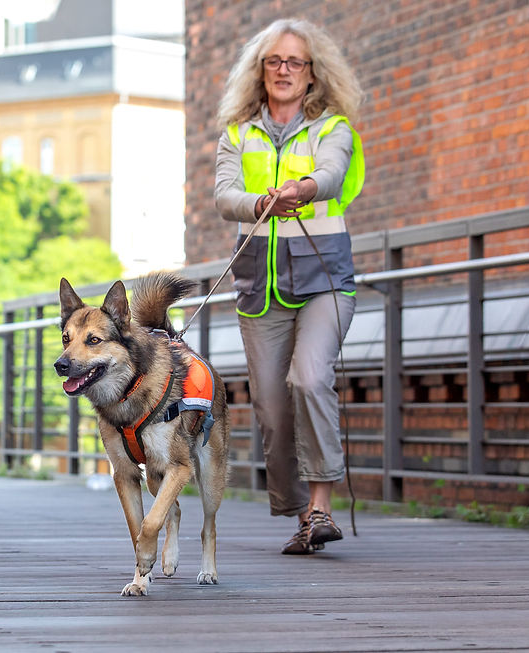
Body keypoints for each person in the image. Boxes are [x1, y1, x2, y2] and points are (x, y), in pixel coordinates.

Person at [214, 19, 365, 554]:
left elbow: (331, 176)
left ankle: (322, 502)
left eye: (294, 62)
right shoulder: (237, 133)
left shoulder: (334, 128)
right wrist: (259, 203)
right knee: (273, 410)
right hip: (261, 288)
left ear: (311, 74)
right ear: (260, 71)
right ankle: (304, 515)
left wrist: (301, 188)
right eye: (274, 61)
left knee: (308, 377)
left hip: (324, 280)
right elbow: (224, 195)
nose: (283, 70)